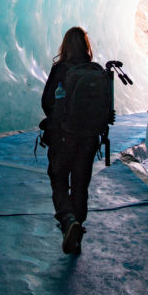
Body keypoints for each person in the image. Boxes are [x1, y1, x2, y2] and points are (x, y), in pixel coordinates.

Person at [41, 27, 101, 254]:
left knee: (58, 179)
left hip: (64, 136)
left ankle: (68, 221)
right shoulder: (95, 71)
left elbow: (47, 102)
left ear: (65, 45)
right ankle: (77, 230)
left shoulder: (61, 69)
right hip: (89, 139)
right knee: (80, 184)